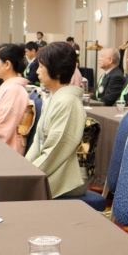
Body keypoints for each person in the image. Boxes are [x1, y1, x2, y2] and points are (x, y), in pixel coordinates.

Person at [25, 42, 86, 198]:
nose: (37, 71)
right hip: (51, 168)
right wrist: (24, 167)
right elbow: (38, 142)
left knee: (10, 193)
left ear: (57, 72)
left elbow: (56, 150)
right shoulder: (54, 98)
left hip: (65, 177)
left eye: (41, 66)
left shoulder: (68, 102)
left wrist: (28, 175)